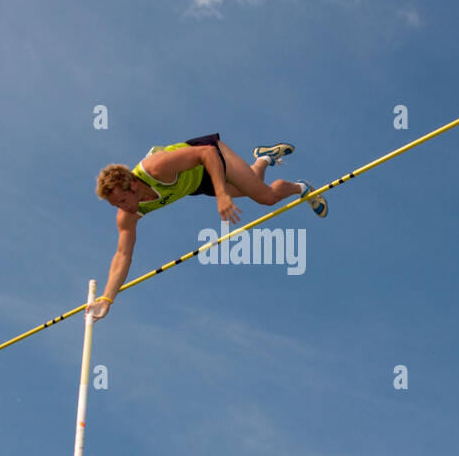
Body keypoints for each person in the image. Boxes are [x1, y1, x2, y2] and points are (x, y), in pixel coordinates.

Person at [88, 134, 326, 319]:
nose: (121, 207)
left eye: (121, 200)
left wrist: (222, 194)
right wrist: (107, 300)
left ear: (132, 184)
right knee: (256, 184)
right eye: (114, 204)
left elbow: (207, 153)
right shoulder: (127, 215)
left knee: (264, 196)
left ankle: (302, 188)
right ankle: (265, 158)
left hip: (210, 157)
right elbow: (122, 254)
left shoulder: (156, 168)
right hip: (197, 182)